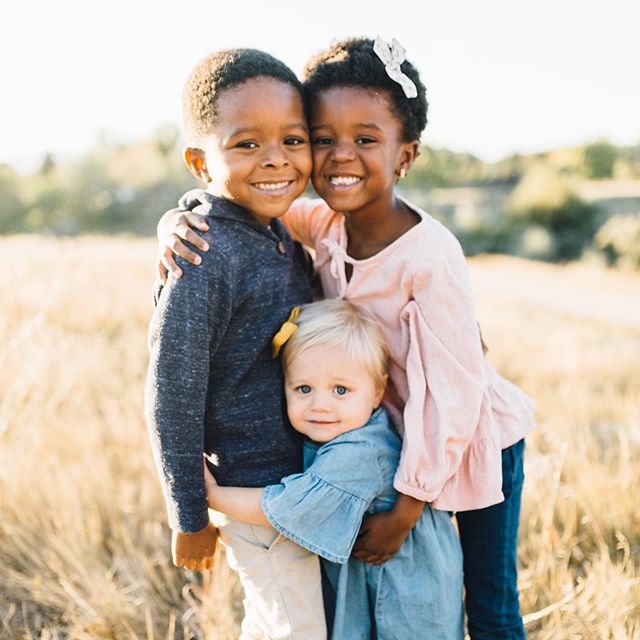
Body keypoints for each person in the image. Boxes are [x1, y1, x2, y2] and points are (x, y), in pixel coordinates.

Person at [156, 37, 536, 639]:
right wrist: (181, 217)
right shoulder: (325, 221)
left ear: (405, 155)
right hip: (385, 439)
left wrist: (408, 506)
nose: (340, 156)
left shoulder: (431, 257)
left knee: (485, 597)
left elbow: (457, 399)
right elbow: (252, 205)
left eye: (365, 139)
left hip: (469, 441)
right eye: (323, 137)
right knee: (401, 587)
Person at [144, 48, 328, 640]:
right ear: (201, 162)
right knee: (295, 629)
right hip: (251, 489)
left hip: (295, 485)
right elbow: (172, 393)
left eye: (293, 141)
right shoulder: (201, 254)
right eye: (246, 144)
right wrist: (188, 514)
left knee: (284, 622)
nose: (275, 160)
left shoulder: (279, 234)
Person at [204, 299, 464, 640]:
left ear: (377, 392)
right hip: (376, 575)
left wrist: (210, 495)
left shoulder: (359, 453)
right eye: (304, 388)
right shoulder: (351, 425)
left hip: (411, 586)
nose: (320, 405)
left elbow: (291, 506)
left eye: (340, 390)